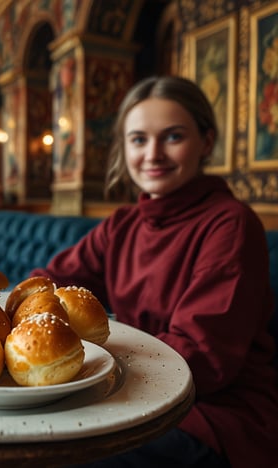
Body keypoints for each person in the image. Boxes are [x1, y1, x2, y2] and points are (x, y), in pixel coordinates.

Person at [30, 76, 278, 468]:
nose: (153, 154)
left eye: (173, 136)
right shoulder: (122, 223)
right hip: (131, 391)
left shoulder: (231, 224)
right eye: (139, 139)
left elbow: (204, 359)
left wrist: (86, 356)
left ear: (206, 143)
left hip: (213, 415)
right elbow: (46, 282)